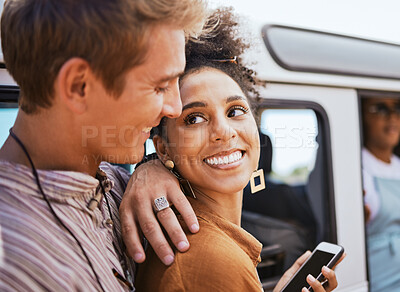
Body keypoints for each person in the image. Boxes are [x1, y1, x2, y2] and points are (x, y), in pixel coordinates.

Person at [0, 0, 208, 290]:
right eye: (160, 87)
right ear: (78, 86)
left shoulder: (118, 183)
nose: (175, 108)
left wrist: (151, 168)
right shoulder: (13, 268)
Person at [135, 8, 341, 292]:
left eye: (235, 111)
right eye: (194, 118)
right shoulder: (213, 257)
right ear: (163, 149)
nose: (224, 132)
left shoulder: (212, 242)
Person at [362, 96, 400, 291]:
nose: (392, 117)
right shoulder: (355, 166)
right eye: (380, 108)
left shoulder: (398, 166)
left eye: (397, 108)